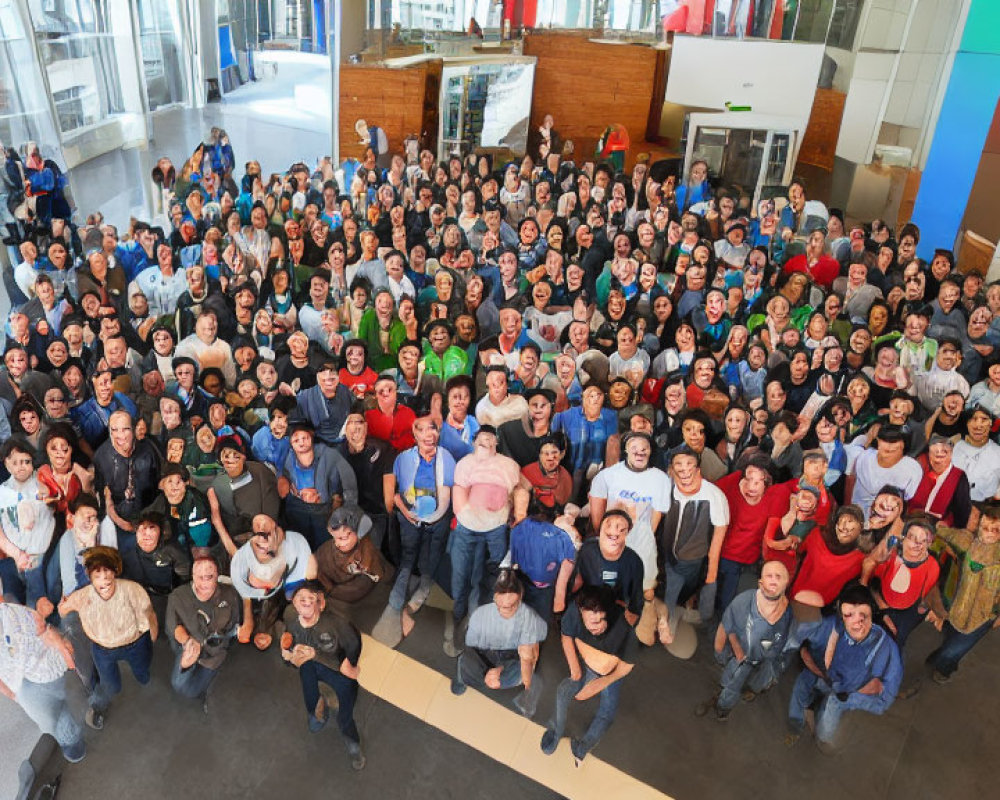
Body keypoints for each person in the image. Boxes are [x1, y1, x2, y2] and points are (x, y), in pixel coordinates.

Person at [787, 582, 903, 753]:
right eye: (849, 614)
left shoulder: (883, 649)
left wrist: (824, 675)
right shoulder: (829, 625)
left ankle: (823, 738)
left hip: (865, 693)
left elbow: (873, 687)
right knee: (805, 680)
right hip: (834, 677)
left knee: (835, 701)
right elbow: (804, 647)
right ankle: (796, 724)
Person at [58, 546, 157, 731]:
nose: (103, 579)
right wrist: (63, 609)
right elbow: (63, 610)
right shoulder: (83, 595)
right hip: (102, 649)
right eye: (97, 574)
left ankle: (144, 680)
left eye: (107, 572)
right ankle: (98, 706)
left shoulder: (132, 589)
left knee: (142, 670)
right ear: (90, 577)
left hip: (134, 644)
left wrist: (152, 634)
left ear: (115, 572)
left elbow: (148, 612)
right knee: (111, 686)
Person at [375, 415, 455, 647]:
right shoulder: (403, 459)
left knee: (430, 559)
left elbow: (445, 500)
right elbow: (397, 495)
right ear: (415, 435)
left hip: (437, 519)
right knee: (408, 558)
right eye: (423, 430)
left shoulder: (446, 457)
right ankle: (394, 604)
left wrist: (428, 520)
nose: (430, 434)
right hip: (409, 516)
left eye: (434, 429)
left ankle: (421, 592)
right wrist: (408, 514)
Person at [540, 584, 638, 763]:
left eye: (602, 620)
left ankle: (582, 747)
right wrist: (576, 672)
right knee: (563, 693)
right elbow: (566, 635)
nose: (597, 626)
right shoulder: (573, 612)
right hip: (586, 663)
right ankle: (555, 730)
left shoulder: (624, 628)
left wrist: (599, 684)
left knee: (607, 713)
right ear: (581, 611)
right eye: (592, 621)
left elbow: (627, 666)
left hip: (609, 672)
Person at [448, 425, 521, 655]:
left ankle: (484, 617)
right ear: (474, 440)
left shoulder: (508, 465)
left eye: (491, 438)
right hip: (468, 526)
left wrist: (519, 513)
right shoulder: (465, 464)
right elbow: (458, 494)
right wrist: (469, 516)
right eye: (482, 437)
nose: (486, 441)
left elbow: (519, 489)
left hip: (497, 527)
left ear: (496, 442)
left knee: (495, 573)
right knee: (461, 572)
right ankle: (459, 615)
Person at [280, 581, 366, 770]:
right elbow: (289, 643)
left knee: (345, 713)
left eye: (312, 598)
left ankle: (352, 742)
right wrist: (288, 654)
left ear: (321, 604)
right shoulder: (290, 617)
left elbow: (354, 643)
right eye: (301, 598)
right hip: (311, 665)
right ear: (293, 603)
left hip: (336, 668)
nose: (306, 602)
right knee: (307, 674)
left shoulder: (338, 625)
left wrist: (351, 665)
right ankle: (316, 710)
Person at [696, 560, 794, 721]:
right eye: (769, 575)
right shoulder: (744, 600)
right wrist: (727, 650)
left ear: (786, 583)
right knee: (730, 680)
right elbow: (727, 624)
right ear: (761, 582)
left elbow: (778, 642)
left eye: (779, 576)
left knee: (738, 684)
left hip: (756, 661)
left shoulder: (785, 614)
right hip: (737, 656)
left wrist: (764, 652)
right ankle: (721, 699)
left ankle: (723, 708)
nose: (774, 580)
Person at [0, 584, 86, 763]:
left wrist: (64, 650)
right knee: (55, 724)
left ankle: (74, 746)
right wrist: (16, 695)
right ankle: (74, 747)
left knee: (65, 719)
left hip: (53, 668)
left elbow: (44, 630)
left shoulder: (9, 612)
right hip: (31, 683)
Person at [451, 569, 548, 719]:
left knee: (523, 671)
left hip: (509, 657)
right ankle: (462, 678)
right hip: (485, 650)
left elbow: (530, 656)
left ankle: (523, 696)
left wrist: (502, 671)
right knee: (465, 657)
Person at [926, 502, 1000, 683]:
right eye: (986, 528)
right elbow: (944, 533)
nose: (990, 533)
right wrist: (937, 526)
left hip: (983, 617)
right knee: (950, 636)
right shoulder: (966, 541)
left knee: (955, 650)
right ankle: (944, 655)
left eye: (996, 529)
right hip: (955, 608)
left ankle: (944, 667)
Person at [165, 555, 240, 710]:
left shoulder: (230, 594)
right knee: (179, 685)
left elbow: (234, 624)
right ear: (193, 576)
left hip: (216, 651)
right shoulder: (178, 596)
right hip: (190, 643)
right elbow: (174, 626)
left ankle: (213, 684)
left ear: (217, 576)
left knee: (194, 690)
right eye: (200, 577)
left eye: (209, 577)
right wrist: (188, 644)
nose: (205, 582)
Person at [230, 514, 311, 650]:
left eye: (259, 644)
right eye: (265, 644)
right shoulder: (275, 624)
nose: (262, 642)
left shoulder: (245, 621)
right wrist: (286, 637)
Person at [307, 505, 392, 602]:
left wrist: (331, 590)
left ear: (358, 533)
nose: (337, 543)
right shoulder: (326, 549)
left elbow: (359, 589)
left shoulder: (367, 555)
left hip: (353, 599)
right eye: (334, 538)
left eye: (343, 538)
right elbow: (316, 565)